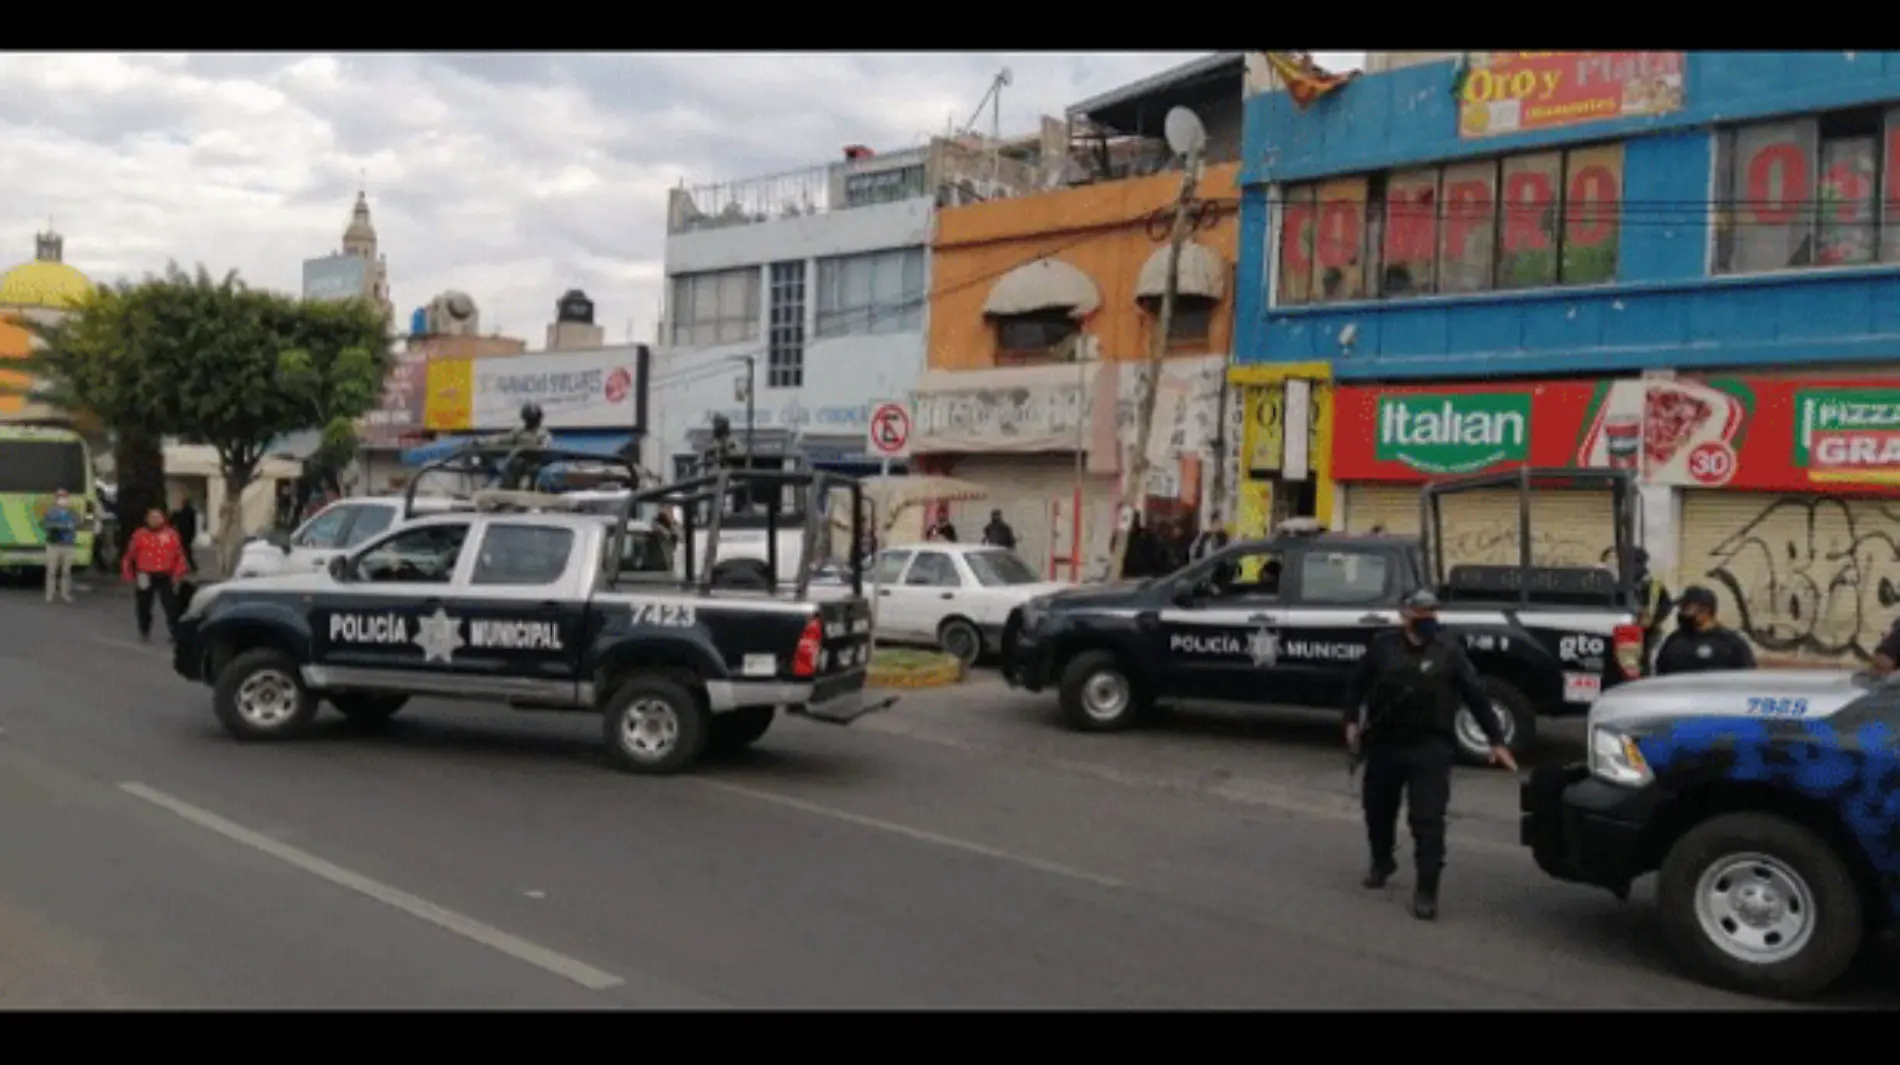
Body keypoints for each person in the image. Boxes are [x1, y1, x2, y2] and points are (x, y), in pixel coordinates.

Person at [1343, 589, 1518, 922]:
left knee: (1428, 821)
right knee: (1378, 812)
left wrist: (1496, 740)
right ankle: (1382, 861)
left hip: (1430, 747)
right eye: (1420, 613)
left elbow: (1476, 697)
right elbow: (1357, 684)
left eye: (1431, 612)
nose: (1428, 619)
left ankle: (1426, 890)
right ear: (1404, 615)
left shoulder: (1449, 652)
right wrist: (1351, 720)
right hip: (1385, 745)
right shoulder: (1383, 647)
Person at [123, 507, 190, 644]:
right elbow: (129, 556)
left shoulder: (171, 535)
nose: (155, 520)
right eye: (152, 518)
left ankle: (175, 632)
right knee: (144, 604)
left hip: (166, 574)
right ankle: (144, 630)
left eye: (158, 517)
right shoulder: (139, 535)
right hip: (145, 574)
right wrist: (128, 574)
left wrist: (178, 574)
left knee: (171, 605)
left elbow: (179, 556)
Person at [38, 488, 82, 603]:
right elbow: (45, 525)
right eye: (61, 498)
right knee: (51, 571)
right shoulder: (50, 512)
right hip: (53, 545)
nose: (64, 500)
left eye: (65, 498)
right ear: (56, 499)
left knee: (66, 571)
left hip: (68, 545)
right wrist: (65, 525)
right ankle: (49, 595)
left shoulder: (72, 513)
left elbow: (78, 523)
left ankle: (65, 594)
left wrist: (66, 525)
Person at [170, 496, 200, 575]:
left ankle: (189, 566)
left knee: (184, 551)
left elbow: (176, 521)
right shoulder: (191, 512)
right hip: (188, 533)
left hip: (183, 533)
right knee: (186, 551)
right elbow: (194, 524)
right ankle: (190, 566)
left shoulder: (183, 512)